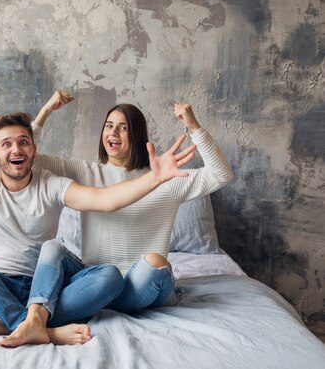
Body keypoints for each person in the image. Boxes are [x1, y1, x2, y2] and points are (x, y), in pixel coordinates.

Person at [0, 69, 196, 347]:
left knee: (108, 277)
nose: (16, 149)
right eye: (7, 144)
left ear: (33, 149)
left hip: (45, 291)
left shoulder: (52, 184)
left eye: (23, 142)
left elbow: (106, 200)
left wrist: (155, 178)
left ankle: (24, 323)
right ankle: (34, 327)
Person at [30, 91, 234, 315]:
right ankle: (38, 317)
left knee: (155, 262)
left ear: (136, 135)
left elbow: (221, 174)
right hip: (97, 280)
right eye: (109, 126)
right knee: (54, 247)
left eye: (123, 127)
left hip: (140, 284)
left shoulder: (165, 177)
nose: (113, 133)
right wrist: (44, 113)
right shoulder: (85, 172)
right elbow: (28, 161)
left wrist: (194, 127)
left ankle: (103, 304)